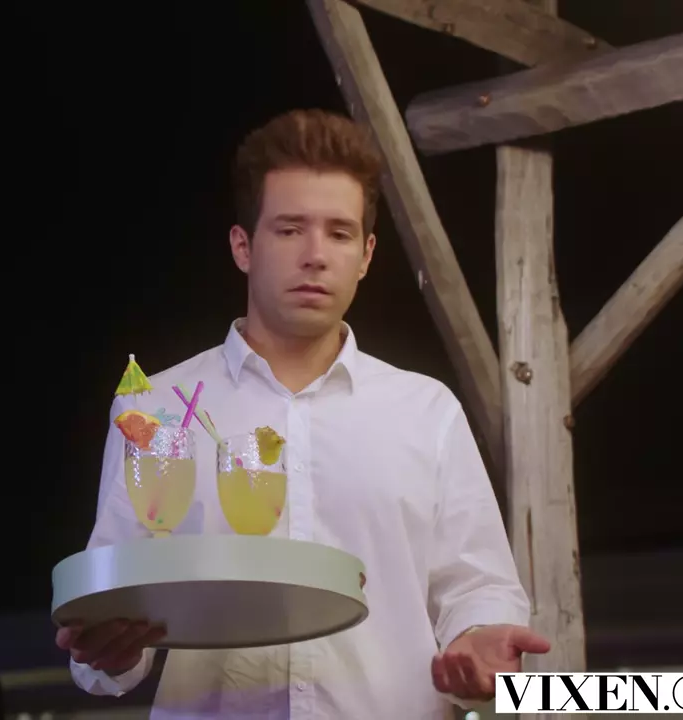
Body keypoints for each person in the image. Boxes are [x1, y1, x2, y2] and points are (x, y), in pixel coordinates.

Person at [55, 109, 550, 718]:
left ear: (366, 255)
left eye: (339, 233)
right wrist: (108, 652)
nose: (316, 255)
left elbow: (478, 586)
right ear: (243, 247)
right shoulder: (153, 409)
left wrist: (479, 640)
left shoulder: (426, 410)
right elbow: (108, 599)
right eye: (290, 229)